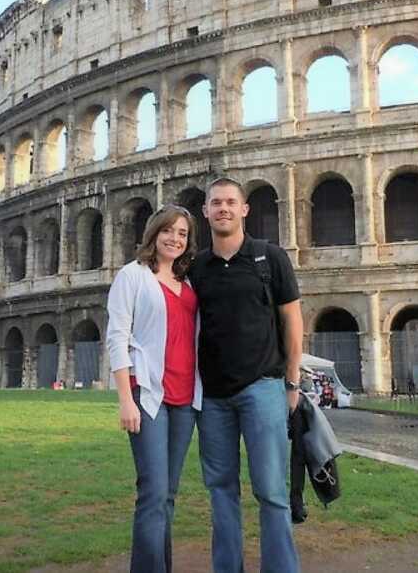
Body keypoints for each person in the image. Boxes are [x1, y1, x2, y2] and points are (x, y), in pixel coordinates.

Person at [188, 177, 302, 573]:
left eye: (230, 202)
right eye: (215, 203)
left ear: (244, 209)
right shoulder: (197, 267)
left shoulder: (269, 258)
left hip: (263, 388)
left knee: (271, 491)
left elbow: (292, 320)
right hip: (214, 398)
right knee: (221, 491)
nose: (223, 208)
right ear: (205, 211)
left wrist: (292, 381)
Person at [106, 204, 202, 573]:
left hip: (184, 398)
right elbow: (117, 338)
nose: (175, 238)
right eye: (168, 231)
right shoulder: (132, 276)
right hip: (148, 395)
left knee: (168, 495)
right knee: (153, 493)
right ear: (153, 233)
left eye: (182, 233)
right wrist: (125, 400)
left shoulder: (188, 281)